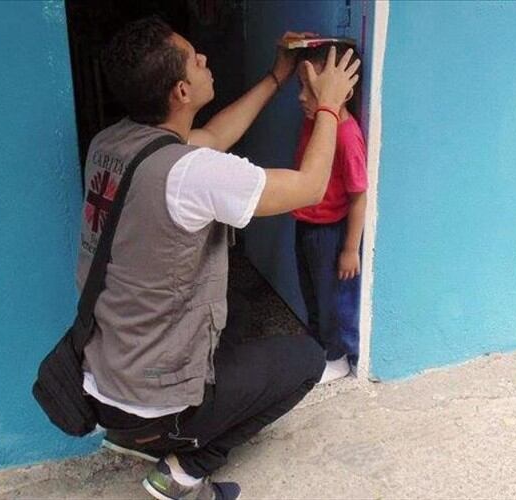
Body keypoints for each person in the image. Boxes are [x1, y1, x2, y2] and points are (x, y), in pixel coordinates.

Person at [75, 17, 360, 500]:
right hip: (150, 399)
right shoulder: (193, 175)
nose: (206, 58)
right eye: (196, 58)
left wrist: (276, 76)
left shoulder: (113, 143)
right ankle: (185, 466)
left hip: (102, 374)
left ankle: (144, 433)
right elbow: (309, 186)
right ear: (182, 91)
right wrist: (329, 106)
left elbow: (210, 136)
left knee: (239, 313)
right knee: (306, 358)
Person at [291, 42, 367, 383]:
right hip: (305, 223)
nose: (301, 97)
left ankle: (336, 357)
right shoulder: (317, 122)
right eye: (300, 87)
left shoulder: (347, 136)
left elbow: (358, 196)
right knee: (310, 291)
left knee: (328, 298)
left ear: (343, 92)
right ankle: (317, 347)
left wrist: (350, 249)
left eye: (310, 89)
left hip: (328, 233)